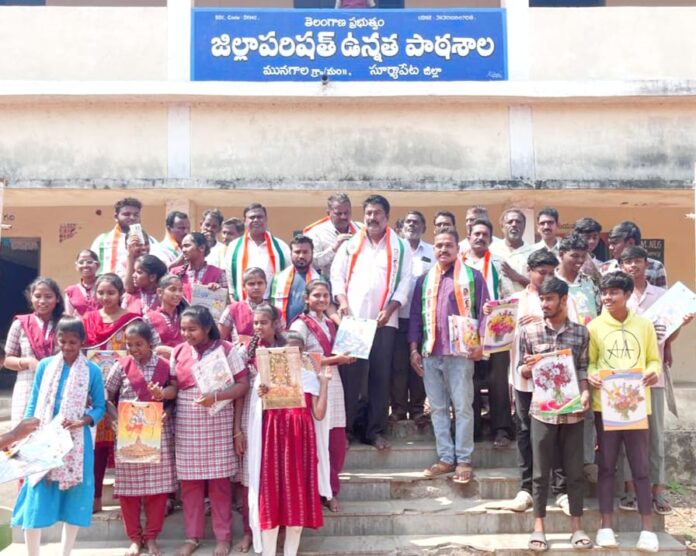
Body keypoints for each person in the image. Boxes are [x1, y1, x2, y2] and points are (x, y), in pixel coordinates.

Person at [11, 317, 105, 556]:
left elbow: (99, 407)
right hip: (43, 439)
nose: (67, 347)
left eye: (73, 342)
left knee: (74, 500)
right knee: (36, 496)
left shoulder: (92, 371)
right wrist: (26, 432)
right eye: (63, 341)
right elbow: (34, 401)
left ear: (82, 342)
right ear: (56, 340)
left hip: (76, 444)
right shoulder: (45, 366)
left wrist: (83, 421)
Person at [331, 194, 413, 451]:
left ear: (386, 216)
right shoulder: (350, 244)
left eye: (377, 213)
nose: (372, 218)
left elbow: (406, 283)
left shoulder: (401, 247)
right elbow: (336, 276)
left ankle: (374, 431)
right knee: (350, 377)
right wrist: (342, 301)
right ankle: (346, 430)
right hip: (353, 321)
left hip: (384, 322)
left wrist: (390, 309)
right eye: (368, 213)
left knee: (380, 377)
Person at [587, 271, 661, 552]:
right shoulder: (594, 327)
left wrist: (653, 372)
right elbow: (591, 362)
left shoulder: (644, 325)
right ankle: (606, 526)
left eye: (614, 292)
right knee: (606, 466)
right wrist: (593, 375)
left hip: (637, 406)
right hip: (605, 407)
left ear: (628, 295)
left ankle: (647, 529)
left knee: (641, 467)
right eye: (604, 293)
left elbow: (653, 359)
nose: (607, 297)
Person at [408, 226, 488, 484]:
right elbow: (415, 317)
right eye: (439, 245)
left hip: (461, 354)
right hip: (431, 352)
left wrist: (481, 344)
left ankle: (464, 459)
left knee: (463, 406)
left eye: (448, 245)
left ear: (457, 248)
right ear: (434, 249)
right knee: (438, 408)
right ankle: (445, 458)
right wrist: (413, 348)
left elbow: (484, 312)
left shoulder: (473, 277)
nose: (443, 249)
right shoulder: (424, 280)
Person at [517, 278, 592, 552]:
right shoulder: (529, 332)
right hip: (542, 411)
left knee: (574, 471)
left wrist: (586, 393)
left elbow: (582, 368)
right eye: (542, 299)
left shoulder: (581, 333)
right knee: (540, 473)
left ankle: (577, 528)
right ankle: (539, 528)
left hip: (573, 411)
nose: (544, 304)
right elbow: (522, 371)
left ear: (564, 300)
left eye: (550, 299)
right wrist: (530, 367)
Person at [618, 246, 693, 515]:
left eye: (637, 260)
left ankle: (657, 491)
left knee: (655, 436)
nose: (633, 265)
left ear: (646, 264)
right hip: (624, 376)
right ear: (621, 265)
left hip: (654, 375)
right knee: (628, 434)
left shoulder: (662, 296)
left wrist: (680, 325)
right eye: (628, 261)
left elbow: (666, 338)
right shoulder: (618, 296)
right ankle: (629, 490)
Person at [171, 305, 249, 556]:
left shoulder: (225, 349)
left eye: (192, 329)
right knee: (190, 484)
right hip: (187, 424)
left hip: (218, 421)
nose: (186, 334)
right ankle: (192, 537)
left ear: (207, 328)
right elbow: (174, 387)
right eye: (183, 329)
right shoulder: (179, 351)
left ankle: (223, 537)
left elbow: (243, 385)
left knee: (219, 484)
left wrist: (216, 397)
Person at [247, 320, 329, 556]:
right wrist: (261, 394)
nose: (293, 356)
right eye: (287, 351)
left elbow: (319, 413)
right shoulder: (265, 377)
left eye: (298, 352)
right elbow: (257, 413)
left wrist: (324, 383)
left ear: (302, 353)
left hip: (300, 442)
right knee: (271, 493)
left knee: (297, 494)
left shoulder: (309, 377)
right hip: (273, 440)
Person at [105, 321, 176, 556]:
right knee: (129, 491)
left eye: (139, 344)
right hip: (128, 432)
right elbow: (107, 396)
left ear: (150, 343)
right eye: (130, 345)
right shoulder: (121, 365)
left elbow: (174, 395)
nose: (134, 349)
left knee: (157, 490)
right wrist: (115, 418)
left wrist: (167, 409)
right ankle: (135, 538)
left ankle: (152, 537)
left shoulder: (164, 366)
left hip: (157, 433)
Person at [289, 280, 355, 512]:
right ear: (306, 299)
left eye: (326, 295)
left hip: (333, 380)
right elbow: (297, 357)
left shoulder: (328, 322)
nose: (322, 299)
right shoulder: (300, 324)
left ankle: (330, 489)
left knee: (336, 441)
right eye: (317, 295)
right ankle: (320, 492)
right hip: (312, 384)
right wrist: (337, 360)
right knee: (318, 441)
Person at [505, 249, 561, 512]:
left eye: (551, 273)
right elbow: (499, 334)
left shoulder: (563, 298)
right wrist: (491, 315)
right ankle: (526, 488)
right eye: (542, 273)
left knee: (557, 431)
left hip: (556, 379)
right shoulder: (515, 301)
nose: (547, 277)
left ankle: (560, 489)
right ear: (529, 272)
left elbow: (572, 328)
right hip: (524, 378)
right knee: (525, 431)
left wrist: (542, 318)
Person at [82, 273, 142, 513]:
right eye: (101, 292)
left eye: (111, 292)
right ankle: (95, 497)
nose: (105, 297)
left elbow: (141, 348)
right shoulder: (88, 320)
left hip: (126, 387)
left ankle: (131, 498)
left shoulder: (132, 320)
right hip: (94, 390)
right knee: (97, 445)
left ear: (121, 294)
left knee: (130, 441)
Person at [234, 303, 286, 553]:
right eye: (255, 323)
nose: (258, 327)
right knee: (250, 476)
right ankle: (250, 531)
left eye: (263, 322)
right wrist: (238, 429)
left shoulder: (286, 350)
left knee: (278, 474)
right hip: (251, 416)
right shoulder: (245, 352)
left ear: (275, 324)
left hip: (280, 419)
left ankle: (280, 529)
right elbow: (239, 393)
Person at [461, 219, 514, 447]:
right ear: (468, 237)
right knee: (469, 380)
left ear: (491, 239)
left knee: (498, 381)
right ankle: (471, 430)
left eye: (485, 234)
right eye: (476, 234)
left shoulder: (498, 263)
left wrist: (496, 306)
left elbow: (509, 295)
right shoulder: (459, 262)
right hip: (468, 329)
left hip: (496, 328)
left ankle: (501, 429)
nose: (480, 238)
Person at [391, 210, 433, 424]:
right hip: (396, 316)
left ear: (424, 228)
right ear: (401, 227)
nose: (412, 225)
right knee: (398, 365)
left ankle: (417, 408)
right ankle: (398, 408)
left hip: (423, 319)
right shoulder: (395, 250)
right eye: (408, 222)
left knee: (418, 363)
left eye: (417, 222)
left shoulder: (432, 252)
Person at [4, 277, 64, 426]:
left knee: (53, 432)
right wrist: (28, 362)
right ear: (31, 298)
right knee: (23, 431)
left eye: (48, 296)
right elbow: (6, 359)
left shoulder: (65, 324)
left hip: (58, 386)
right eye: (37, 296)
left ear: (57, 299)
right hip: (27, 386)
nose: (42, 301)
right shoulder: (20, 324)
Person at [226, 203, 291, 300]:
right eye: (252, 217)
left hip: (271, 303)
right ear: (245, 221)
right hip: (243, 303)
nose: (256, 220)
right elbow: (230, 279)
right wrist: (233, 300)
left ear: (266, 219)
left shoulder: (281, 247)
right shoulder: (234, 247)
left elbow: (289, 274)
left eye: (259, 217)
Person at [90, 197, 157, 278]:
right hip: (109, 284)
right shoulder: (102, 241)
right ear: (116, 217)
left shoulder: (151, 241)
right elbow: (91, 267)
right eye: (127, 214)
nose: (132, 218)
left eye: (136, 215)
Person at [303, 193, 361, 278]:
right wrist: (334, 249)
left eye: (346, 213)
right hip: (328, 282)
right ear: (328, 213)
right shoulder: (316, 233)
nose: (343, 217)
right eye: (338, 213)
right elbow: (312, 263)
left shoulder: (360, 230)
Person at [269, 235, 323, 325]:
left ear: (312, 253)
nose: (301, 256)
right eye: (297, 252)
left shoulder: (320, 280)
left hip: (311, 329)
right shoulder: (277, 279)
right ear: (291, 254)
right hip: (283, 329)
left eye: (305, 252)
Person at [600, 221, 667, 288]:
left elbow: (662, 293)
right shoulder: (605, 268)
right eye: (609, 244)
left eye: (614, 243)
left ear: (631, 242)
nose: (610, 247)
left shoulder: (655, 267)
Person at [555, 234, 601, 326]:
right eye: (575, 256)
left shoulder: (590, 282)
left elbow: (599, 312)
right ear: (561, 254)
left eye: (583, 256)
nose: (580, 260)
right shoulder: (551, 282)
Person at [489, 208, 535, 299]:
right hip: (498, 305)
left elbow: (540, 286)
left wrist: (517, 277)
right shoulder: (491, 251)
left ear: (524, 226)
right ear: (502, 227)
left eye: (518, 222)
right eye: (510, 222)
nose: (514, 224)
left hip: (526, 304)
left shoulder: (533, 253)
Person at [172, 232, 228, 302]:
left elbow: (226, 302)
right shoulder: (175, 273)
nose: (183, 250)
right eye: (182, 247)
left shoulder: (218, 274)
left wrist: (218, 291)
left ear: (202, 248)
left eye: (187, 246)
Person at [219, 267, 267, 344]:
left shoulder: (274, 311)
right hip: (238, 351)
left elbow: (281, 339)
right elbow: (219, 339)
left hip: (266, 351)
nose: (256, 287)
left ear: (266, 285)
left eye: (260, 283)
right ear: (244, 287)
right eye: (251, 284)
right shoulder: (232, 309)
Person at [143, 274, 186, 358]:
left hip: (184, 361)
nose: (178, 294)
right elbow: (149, 349)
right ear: (160, 292)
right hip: (160, 363)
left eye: (180, 290)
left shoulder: (186, 316)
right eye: (172, 289)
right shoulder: (148, 318)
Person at [64, 249, 101, 317]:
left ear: (97, 265)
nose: (85, 265)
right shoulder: (71, 291)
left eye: (89, 262)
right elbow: (69, 317)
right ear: (76, 266)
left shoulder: (105, 288)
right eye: (81, 262)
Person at [573, 217, 603, 283]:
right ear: (577, 237)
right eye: (587, 237)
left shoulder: (601, 266)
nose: (592, 241)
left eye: (595, 238)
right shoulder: (569, 262)